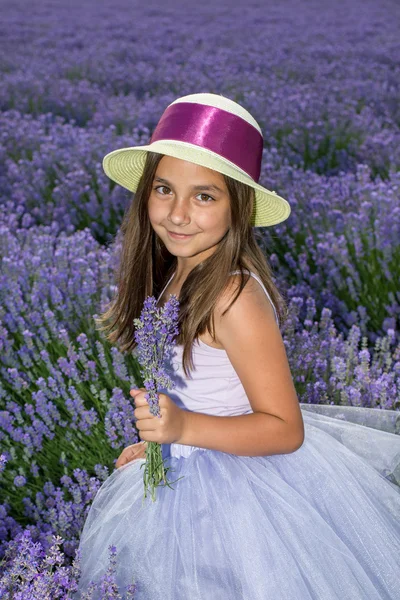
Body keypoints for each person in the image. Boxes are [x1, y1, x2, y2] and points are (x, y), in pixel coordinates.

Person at [74, 93, 400, 599]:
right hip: (189, 472)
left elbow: (284, 428)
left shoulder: (233, 295)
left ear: (238, 207)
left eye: (204, 196)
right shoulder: (174, 273)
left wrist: (184, 426)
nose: (178, 214)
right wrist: (164, 443)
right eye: (164, 189)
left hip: (237, 502)